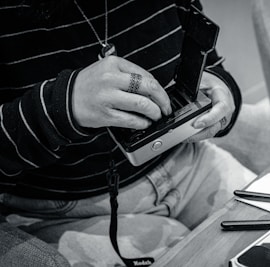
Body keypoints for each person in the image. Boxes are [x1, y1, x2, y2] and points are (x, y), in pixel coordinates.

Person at [0, 0, 255, 266]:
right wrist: (61, 107)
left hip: (189, 162)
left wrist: (221, 92)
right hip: (68, 209)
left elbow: (209, 61)